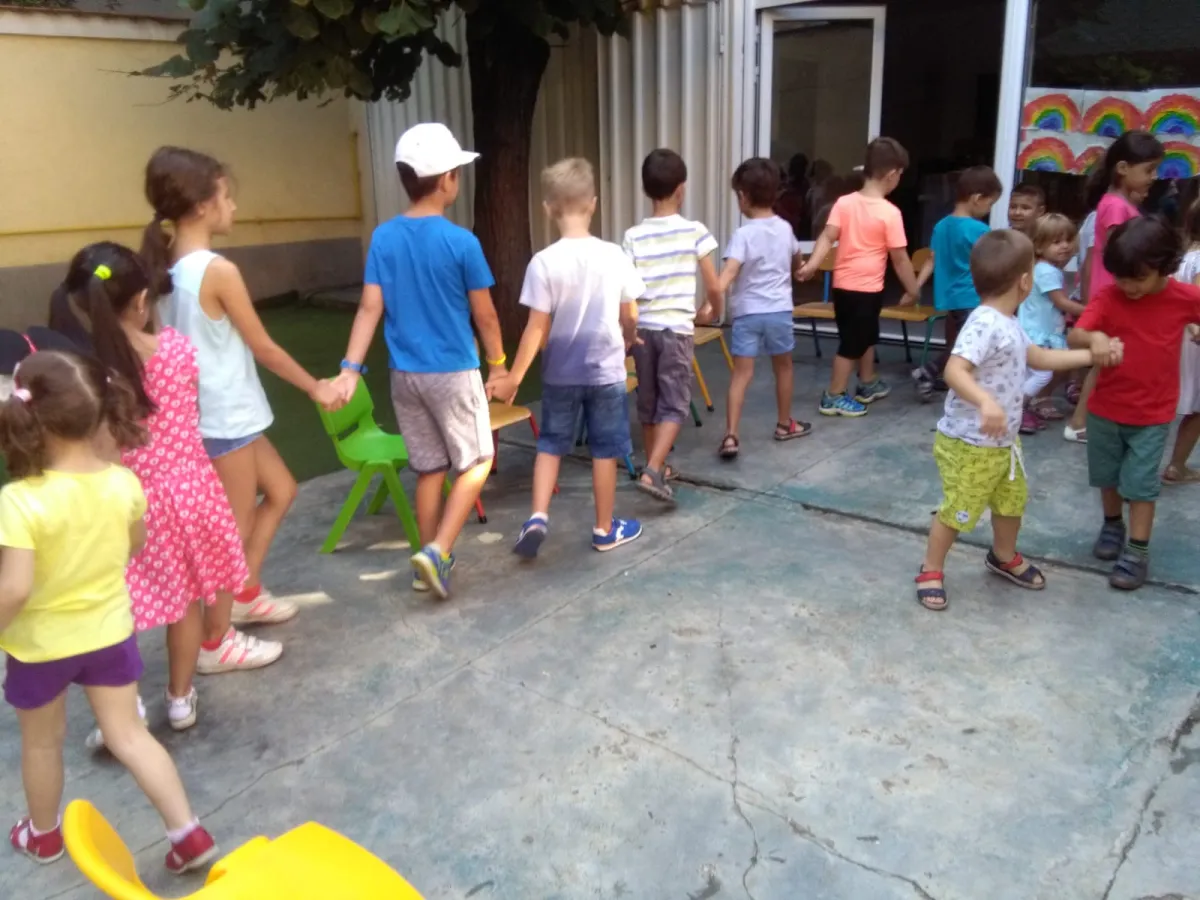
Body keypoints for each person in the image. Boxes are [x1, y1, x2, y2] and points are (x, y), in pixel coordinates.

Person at [0, 350, 217, 871]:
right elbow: (134, 544)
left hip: (40, 646)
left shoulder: (19, 501)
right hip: (110, 633)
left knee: (43, 744)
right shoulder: (124, 483)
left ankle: (43, 836)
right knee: (130, 736)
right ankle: (188, 834)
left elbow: (15, 589)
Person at [142, 147, 339, 662]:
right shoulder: (216, 271)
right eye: (226, 196)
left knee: (282, 489)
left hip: (217, 417)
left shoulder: (165, 265)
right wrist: (316, 387)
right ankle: (215, 640)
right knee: (232, 530)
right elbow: (263, 347)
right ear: (202, 205)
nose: (233, 206)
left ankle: (245, 591)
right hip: (223, 418)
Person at [59, 244, 253, 749]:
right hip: (190, 491)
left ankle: (125, 712)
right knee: (184, 600)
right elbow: (187, 412)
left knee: (116, 606)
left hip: (124, 498)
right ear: (142, 300)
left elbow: (99, 447)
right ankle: (180, 698)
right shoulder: (176, 350)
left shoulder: (87, 373)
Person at [334, 123, 505, 598]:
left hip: (404, 377)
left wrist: (350, 369)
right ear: (448, 179)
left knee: (430, 469)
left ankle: (425, 564)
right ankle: (438, 551)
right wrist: (498, 363)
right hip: (453, 373)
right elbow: (486, 315)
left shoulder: (383, 238)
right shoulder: (462, 243)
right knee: (478, 461)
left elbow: (369, 308)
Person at [914, 230, 1121, 611]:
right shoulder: (984, 322)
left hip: (1003, 444)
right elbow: (955, 370)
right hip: (970, 445)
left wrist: (1092, 356)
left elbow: (1039, 357)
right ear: (1025, 281)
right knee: (958, 510)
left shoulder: (1009, 320)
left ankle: (1003, 555)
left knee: (1011, 504)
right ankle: (931, 568)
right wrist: (985, 402)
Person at [490, 158, 645, 555]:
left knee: (551, 444)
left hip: (559, 372)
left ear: (548, 209)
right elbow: (630, 312)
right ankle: (604, 529)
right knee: (605, 450)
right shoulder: (614, 255)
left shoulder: (543, 262)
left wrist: (514, 377)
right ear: (593, 204)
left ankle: (537, 516)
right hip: (605, 372)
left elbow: (536, 327)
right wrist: (630, 337)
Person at [1070, 215, 1200, 590]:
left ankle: (1138, 551)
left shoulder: (1184, 296)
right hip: (1105, 409)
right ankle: (1112, 525)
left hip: (1152, 414)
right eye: (1122, 278)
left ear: (1165, 266)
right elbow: (1078, 334)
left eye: (1138, 279)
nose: (1128, 287)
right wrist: (1094, 339)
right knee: (1107, 477)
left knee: (1141, 486)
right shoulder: (1108, 296)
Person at [622, 148, 721, 503]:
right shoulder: (695, 231)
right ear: (682, 189)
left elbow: (627, 292)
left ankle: (657, 466)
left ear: (645, 189)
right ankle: (653, 470)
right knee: (676, 404)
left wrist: (627, 332)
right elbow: (713, 284)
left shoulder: (633, 236)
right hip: (676, 330)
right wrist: (712, 308)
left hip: (643, 332)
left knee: (649, 402)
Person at [798, 137, 923, 417]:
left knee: (864, 335)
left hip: (845, 288)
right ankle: (834, 395)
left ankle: (867, 382)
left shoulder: (844, 203)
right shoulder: (890, 213)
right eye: (900, 175)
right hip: (864, 290)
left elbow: (826, 236)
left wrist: (812, 264)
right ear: (893, 174)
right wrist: (913, 289)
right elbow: (900, 258)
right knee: (852, 344)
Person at [1064, 131, 1165, 444]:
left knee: (1107, 362)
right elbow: (1121, 256)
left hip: (1115, 292)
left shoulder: (1116, 204)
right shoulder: (1116, 207)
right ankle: (1080, 422)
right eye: (1149, 170)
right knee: (1104, 364)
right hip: (1117, 294)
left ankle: (1087, 420)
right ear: (1123, 168)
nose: (1154, 177)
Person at [715, 158, 811, 459]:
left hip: (747, 313)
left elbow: (729, 273)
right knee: (783, 367)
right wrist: (799, 270)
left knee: (741, 374)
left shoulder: (743, 235)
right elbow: (797, 261)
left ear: (743, 196)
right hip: (779, 312)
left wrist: (712, 298)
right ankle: (784, 424)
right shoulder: (785, 229)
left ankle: (731, 436)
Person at [910, 165, 1004, 401]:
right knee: (968, 347)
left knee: (962, 343)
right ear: (977, 198)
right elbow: (990, 264)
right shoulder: (980, 229)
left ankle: (947, 377)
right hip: (971, 296)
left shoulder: (941, 225)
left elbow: (931, 260)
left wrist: (915, 287)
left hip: (950, 297)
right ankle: (928, 372)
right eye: (990, 204)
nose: (988, 210)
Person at [1017, 214, 1086, 434]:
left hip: (1040, 331)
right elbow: (1061, 302)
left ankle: (1027, 405)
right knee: (1042, 374)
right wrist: (1090, 311)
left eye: (1068, 240)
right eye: (1056, 242)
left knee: (1039, 373)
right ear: (1039, 246)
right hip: (1038, 334)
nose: (1064, 246)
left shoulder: (1044, 268)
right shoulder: (1047, 271)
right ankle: (1016, 408)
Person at [1164, 199, 1200, 484]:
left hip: (1177, 336)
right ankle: (1176, 466)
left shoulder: (1184, 256)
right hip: (1194, 340)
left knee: (1172, 401)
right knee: (1197, 407)